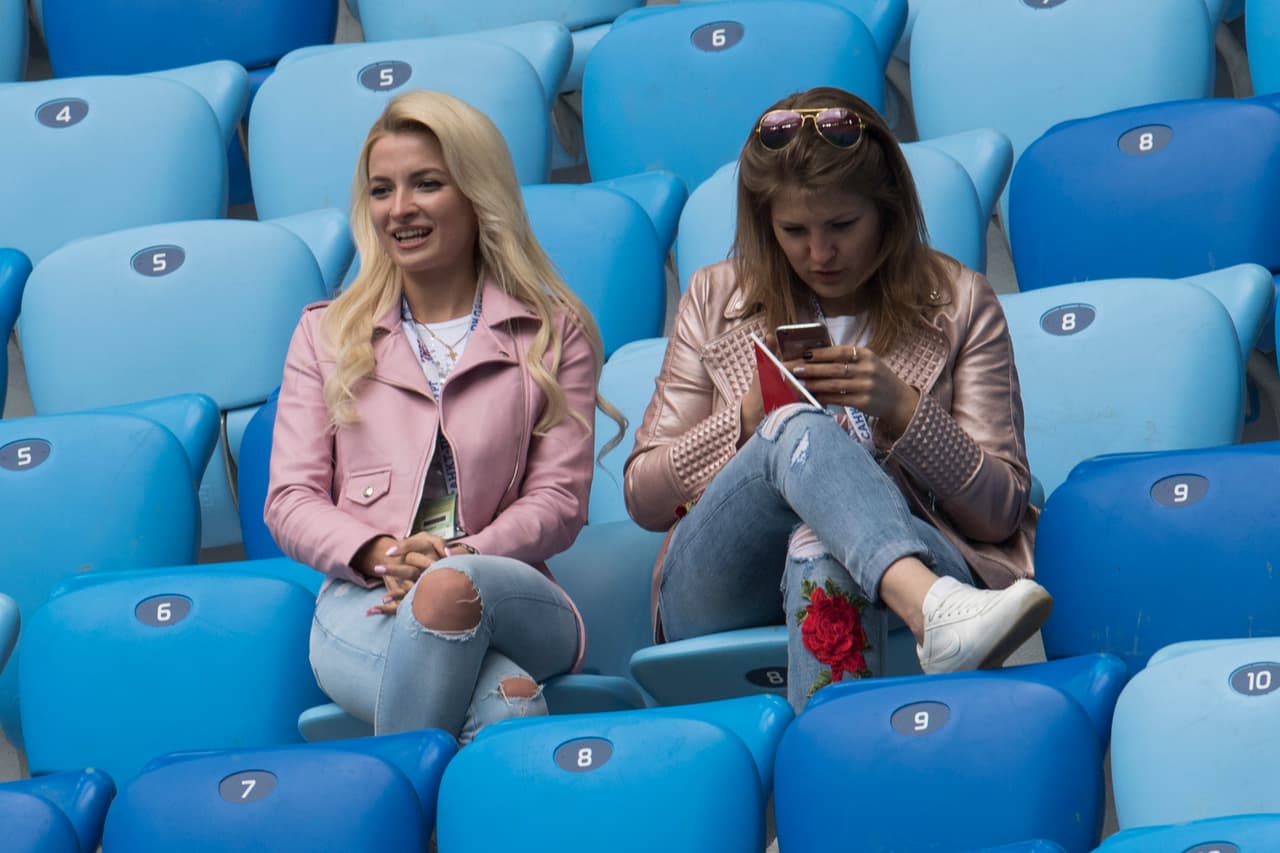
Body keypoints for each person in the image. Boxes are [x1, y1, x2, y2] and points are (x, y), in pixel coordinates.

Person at [624, 87, 1052, 712]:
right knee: (789, 425)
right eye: (794, 230)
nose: (819, 253)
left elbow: (1001, 512)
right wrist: (744, 424)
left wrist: (903, 411)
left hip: (912, 545)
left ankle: (835, 769)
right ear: (765, 223)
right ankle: (934, 611)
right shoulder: (713, 296)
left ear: (887, 212)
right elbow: (643, 494)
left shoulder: (962, 300)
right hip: (719, 583)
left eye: (842, 226)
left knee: (819, 547)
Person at [265, 90, 622, 743]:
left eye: (426, 184)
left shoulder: (551, 331)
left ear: (475, 193)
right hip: (362, 597)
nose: (398, 209)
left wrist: (457, 557)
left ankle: (390, 818)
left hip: (511, 590)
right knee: (507, 709)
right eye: (381, 190)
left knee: (451, 588)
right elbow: (290, 498)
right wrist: (382, 551)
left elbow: (559, 500)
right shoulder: (325, 334)